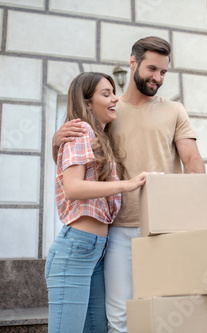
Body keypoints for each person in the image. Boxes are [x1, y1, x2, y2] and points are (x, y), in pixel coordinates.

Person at [52, 36, 205, 333]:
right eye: (152, 69)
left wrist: (193, 216)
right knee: (119, 317)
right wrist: (56, 141)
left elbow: (193, 160)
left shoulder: (174, 110)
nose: (157, 78)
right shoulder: (107, 111)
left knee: (165, 312)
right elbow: (77, 165)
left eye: (163, 72)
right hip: (116, 230)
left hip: (163, 228)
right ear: (132, 62)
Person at [46, 72, 148, 333]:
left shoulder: (100, 137)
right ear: (87, 103)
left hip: (97, 248)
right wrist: (129, 184)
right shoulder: (81, 131)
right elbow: (73, 187)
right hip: (76, 248)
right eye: (106, 94)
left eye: (114, 92)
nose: (115, 99)